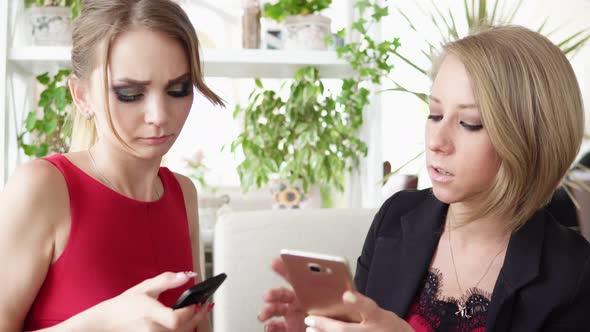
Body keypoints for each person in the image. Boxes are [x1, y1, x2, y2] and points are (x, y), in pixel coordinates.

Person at [259, 25, 590, 331]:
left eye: (470, 122)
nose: (436, 141)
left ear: (531, 138)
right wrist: (317, 326)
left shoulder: (573, 272)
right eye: (435, 114)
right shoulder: (395, 217)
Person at [0, 0, 224, 330]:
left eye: (178, 89)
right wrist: (101, 322)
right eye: (130, 93)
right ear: (81, 96)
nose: (159, 116)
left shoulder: (183, 194)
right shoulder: (44, 187)